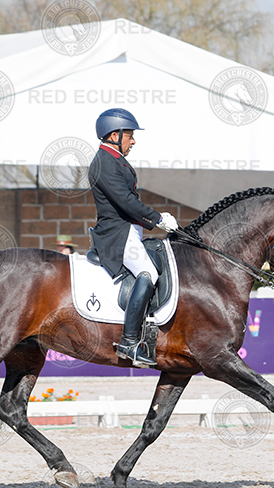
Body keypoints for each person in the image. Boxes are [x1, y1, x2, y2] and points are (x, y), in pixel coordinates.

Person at [88, 108, 179, 368]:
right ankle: (129, 342)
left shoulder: (114, 159)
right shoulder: (105, 162)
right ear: (114, 135)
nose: (133, 141)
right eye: (129, 135)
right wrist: (157, 218)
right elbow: (125, 201)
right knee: (148, 273)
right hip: (117, 235)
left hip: (129, 231)